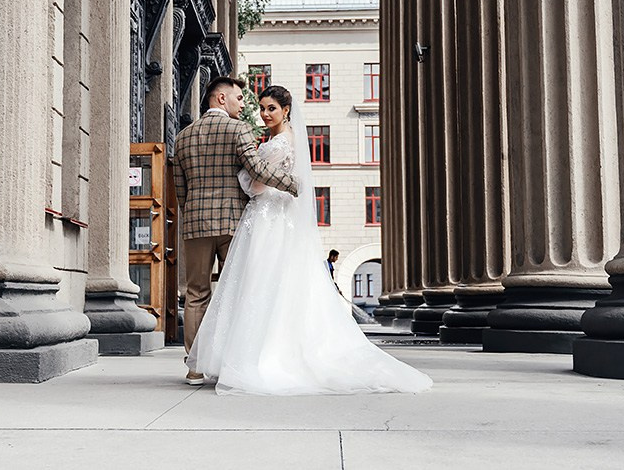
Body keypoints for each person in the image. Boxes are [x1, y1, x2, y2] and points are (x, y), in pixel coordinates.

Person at [186, 85, 432, 395]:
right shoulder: (289, 141)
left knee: (255, 286)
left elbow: (256, 185)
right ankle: (277, 351)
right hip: (281, 220)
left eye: (270, 108)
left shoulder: (275, 145)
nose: (264, 114)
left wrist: (242, 177)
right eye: (262, 108)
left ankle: (253, 357)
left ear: (286, 110)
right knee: (278, 287)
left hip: (267, 219)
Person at [173, 76, 299, 386]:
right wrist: (293, 185)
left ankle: (195, 367)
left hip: (196, 225)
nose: (243, 105)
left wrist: (192, 212)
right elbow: (256, 170)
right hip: (232, 223)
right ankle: (231, 362)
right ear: (220, 99)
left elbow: (180, 188)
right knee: (236, 292)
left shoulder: (183, 136)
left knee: (196, 294)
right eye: (238, 98)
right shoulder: (238, 129)